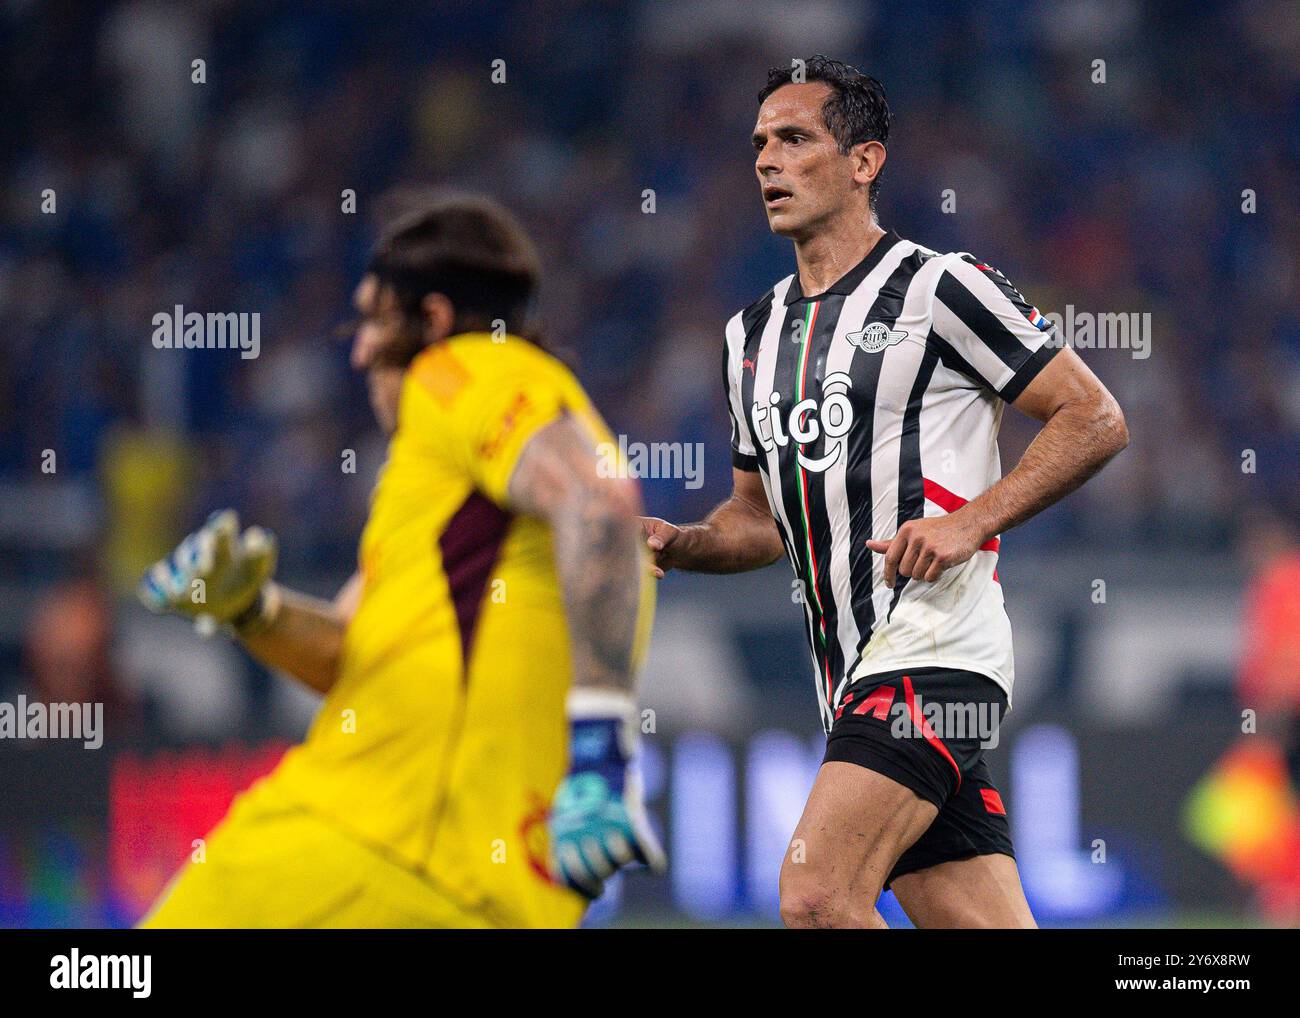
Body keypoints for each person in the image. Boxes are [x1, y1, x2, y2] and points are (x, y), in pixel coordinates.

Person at [642, 57, 1128, 928]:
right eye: (759, 144)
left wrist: (968, 524)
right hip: (854, 676)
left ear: (864, 162)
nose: (767, 161)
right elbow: (757, 519)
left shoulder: (943, 288)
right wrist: (681, 543)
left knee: (818, 897)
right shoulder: (747, 337)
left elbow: (1093, 416)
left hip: (936, 653)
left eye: (795, 139)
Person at [138, 191, 662, 927]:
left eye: (372, 319)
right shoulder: (458, 501)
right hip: (492, 901)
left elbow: (599, 505)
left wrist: (602, 743)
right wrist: (252, 610)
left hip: (362, 846)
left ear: (435, 320)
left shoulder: (464, 370)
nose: (357, 351)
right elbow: (348, 657)